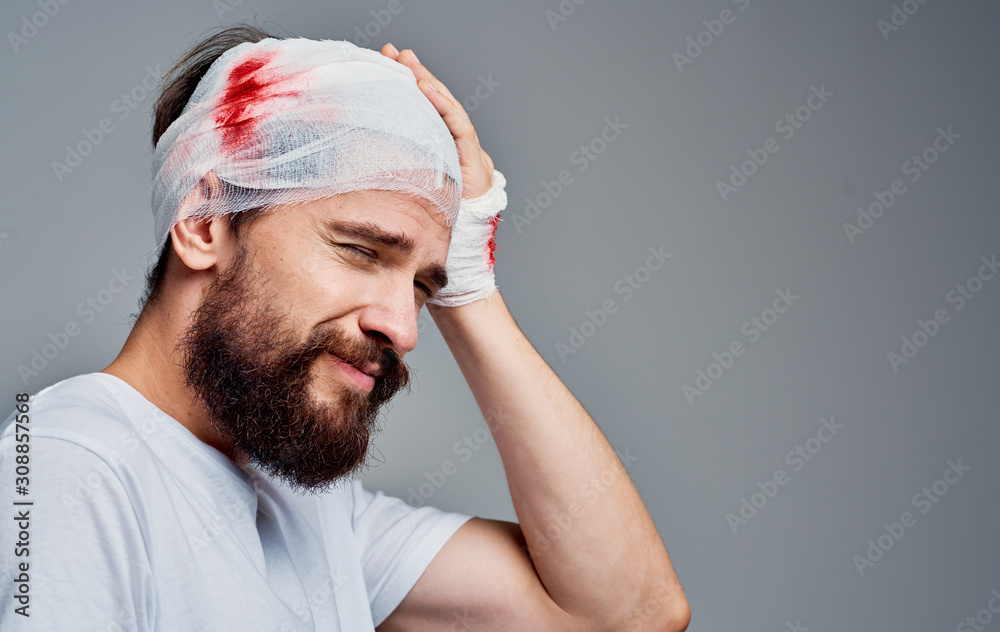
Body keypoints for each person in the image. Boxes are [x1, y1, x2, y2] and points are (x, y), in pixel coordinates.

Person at [0, 23, 689, 632]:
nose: (404, 328)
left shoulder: (314, 513)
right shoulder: (74, 471)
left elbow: (624, 613)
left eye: (423, 286)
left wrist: (470, 287)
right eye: (362, 251)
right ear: (205, 223)